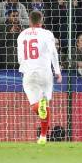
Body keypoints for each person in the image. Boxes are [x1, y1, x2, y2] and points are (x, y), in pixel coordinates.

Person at [16, 11, 62, 146]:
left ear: (29, 21)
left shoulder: (22, 35)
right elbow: (53, 52)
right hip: (45, 72)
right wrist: (58, 72)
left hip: (29, 73)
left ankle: (39, 112)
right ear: (42, 20)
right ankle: (43, 136)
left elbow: (20, 58)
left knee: (35, 105)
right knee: (45, 104)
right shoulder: (47, 34)